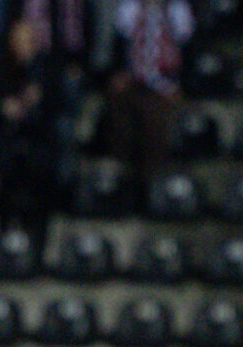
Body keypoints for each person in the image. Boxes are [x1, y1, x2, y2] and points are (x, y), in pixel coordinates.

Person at [0, 18, 70, 250]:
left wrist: (39, 100)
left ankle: (38, 249)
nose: (22, 46)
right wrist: (5, 107)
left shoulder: (47, 71)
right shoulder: (1, 72)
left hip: (39, 147)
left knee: (41, 190)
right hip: (9, 148)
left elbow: (58, 107)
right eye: (17, 41)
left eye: (27, 40)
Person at [104, 0, 191, 209]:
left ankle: (149, 190)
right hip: (133, 81)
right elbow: (120, 43)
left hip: (163, 85)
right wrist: (119, 73)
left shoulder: (176, 10)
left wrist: (179, 83)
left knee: (155, 133)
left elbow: (186, 47)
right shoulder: (130, 7)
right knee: (123, 129)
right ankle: (123, 184)